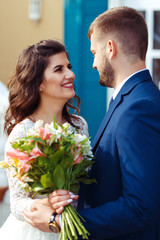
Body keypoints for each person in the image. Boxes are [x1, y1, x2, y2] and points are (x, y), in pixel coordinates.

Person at [22, 6, 160, 240]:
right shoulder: (129, 100)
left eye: (94, 52)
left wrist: (60, 222)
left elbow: (141, 207)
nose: (93, 64)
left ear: (110, 48)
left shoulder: (139, 107)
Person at [0, 39, 88, 240]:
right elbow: (18, 202)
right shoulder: (23, 132)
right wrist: (48, 204)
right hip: (36, 232)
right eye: (59, 69)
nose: (70, 74)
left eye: (69, 67)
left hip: (76, 226)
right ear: (38, 83)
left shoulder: (79, 125)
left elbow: (85, 181)